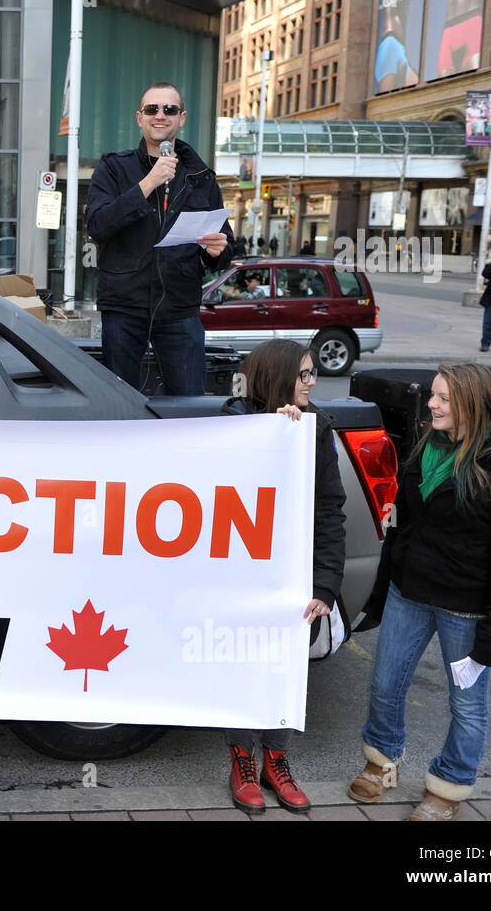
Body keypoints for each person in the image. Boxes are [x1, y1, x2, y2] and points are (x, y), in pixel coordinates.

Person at [348, 362, 491, 820]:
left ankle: (447, 789)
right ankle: (381, 763)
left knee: (466, 706)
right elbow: (402, 525)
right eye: (433, 395)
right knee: (385, 685)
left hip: (466, 610)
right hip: (409, 592)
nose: (430, 404)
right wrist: (383, 588)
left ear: (474, 405)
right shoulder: (426, 447)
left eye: (443, 399)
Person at [220, 339, 346, 814]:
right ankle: (242, 761)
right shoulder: (235, 421)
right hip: (242, 577)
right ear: (277, 378)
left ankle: (276, 760)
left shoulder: (316, 430)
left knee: (287, 666)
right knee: (242, 665)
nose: (311, 383)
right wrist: (272, 434)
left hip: (295, 578)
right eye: (303, 375)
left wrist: (325, 586)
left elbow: (330, 513)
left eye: (313, 373)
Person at [85, 82, 232, 395]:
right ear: (140, 118)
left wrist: (217, 250)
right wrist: (148, 183)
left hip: (179, 307)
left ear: (182, 118)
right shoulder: (114, 167)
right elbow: (98, 225)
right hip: (124, 305)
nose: (160, 115)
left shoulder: (201, 177)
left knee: (188, 403)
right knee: (120, 401)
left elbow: (225, 247)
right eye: (152, 109)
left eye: (170, 109)